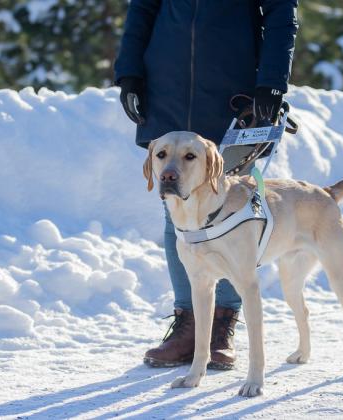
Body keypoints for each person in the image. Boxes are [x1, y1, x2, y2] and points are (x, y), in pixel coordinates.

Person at [114, 0, 298, 370]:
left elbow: (281, 12)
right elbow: (142, 8)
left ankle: (221, 326)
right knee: (178, 212)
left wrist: (272, 83)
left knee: (232, 211)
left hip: (233, 91)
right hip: (166, 85)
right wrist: (130, 71)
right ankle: (188, 325)